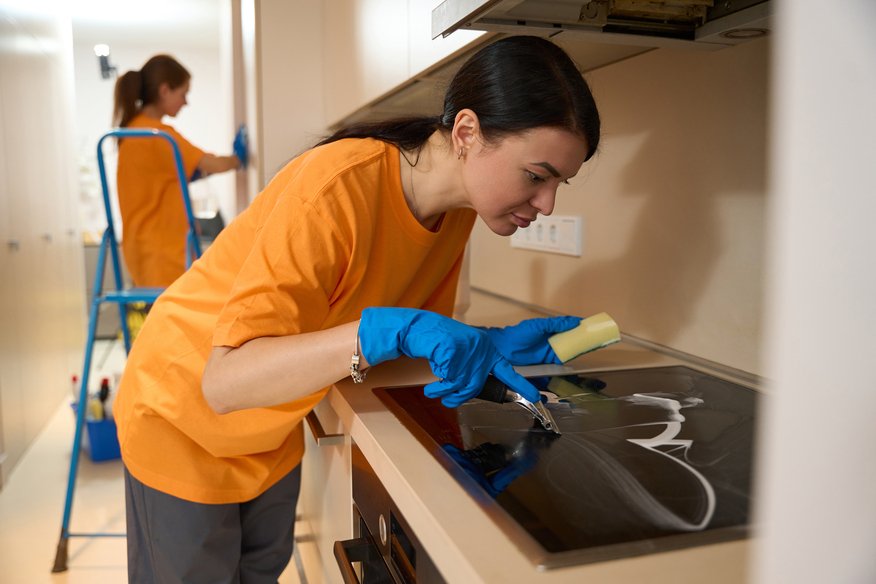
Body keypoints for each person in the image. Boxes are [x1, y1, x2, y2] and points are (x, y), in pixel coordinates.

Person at [114, 35, 601, 582]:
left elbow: (390, 348)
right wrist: (390, 329)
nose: (548, 203)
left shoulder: (456, 214)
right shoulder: (337, 188)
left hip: (270, 422)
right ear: (467, 133)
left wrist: (481, 342)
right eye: (536, 176)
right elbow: (224, 382)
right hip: (183, 413)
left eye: (561, 182)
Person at [112, 54, 245, 288]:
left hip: (141, 247)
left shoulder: (132, 131)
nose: (186, 102)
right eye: (183, 94)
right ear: (165, 90)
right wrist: (239, 158)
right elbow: (209, 164)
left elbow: (183, 173)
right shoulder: (159, 135)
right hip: (163, 249)